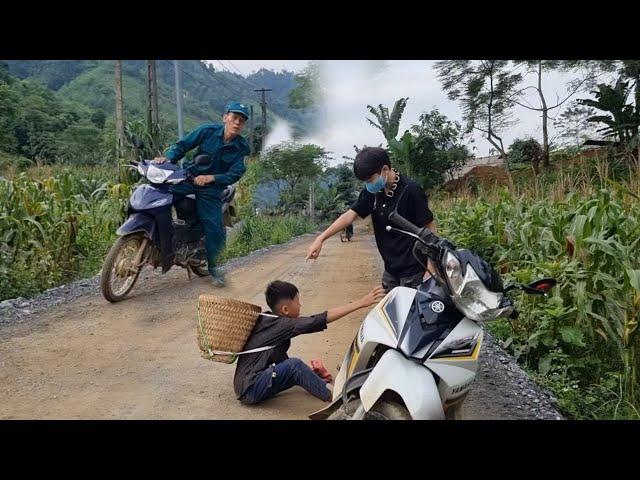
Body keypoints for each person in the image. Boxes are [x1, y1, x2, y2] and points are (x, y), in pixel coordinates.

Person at [306, 146, 437, 292]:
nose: (368, 185)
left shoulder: (411, 190)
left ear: (385, 170)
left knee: (413, 312)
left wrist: (431, 269)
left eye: (369, 180)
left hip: (415, 270)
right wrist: (321, 238)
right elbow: (350, 215)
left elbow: (429, 229)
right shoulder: (373, 192)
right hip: (391, 271)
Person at [234, 280, 386, 405]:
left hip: (247, 384)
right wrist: (361, 302)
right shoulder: (283, 324)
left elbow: (278, 358)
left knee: (294, 368)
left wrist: (313, 377)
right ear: (285, 309)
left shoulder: (268, 320)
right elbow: (317, 320)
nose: (300, 307)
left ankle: (320, 385)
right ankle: (337, 398)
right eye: (298, 303)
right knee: (294, 365)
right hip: (250, 388)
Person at [152, 101, 251, 287]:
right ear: (225, 117)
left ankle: (215, 269)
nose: (237, 122)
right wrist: (167, 158)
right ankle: (161, 241)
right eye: (234, 117)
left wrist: (211, 177)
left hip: (211, 188)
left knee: (214, 226)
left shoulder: (242, 148)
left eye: (241, 120)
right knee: (160, 196)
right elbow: (182, 145)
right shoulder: (207, 131)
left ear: (243, 125)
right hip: (188, 177)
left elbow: (235, 173)